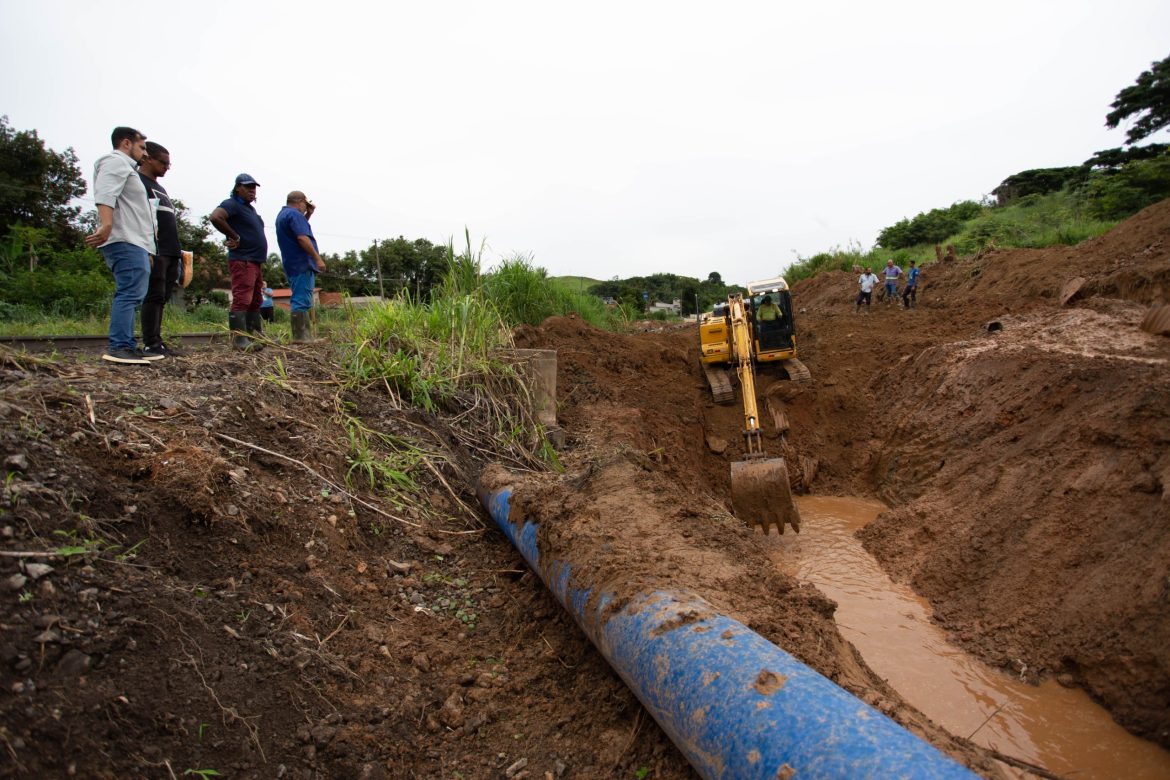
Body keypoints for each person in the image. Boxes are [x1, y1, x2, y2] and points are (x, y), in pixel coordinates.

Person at [86, 127, 162, 365]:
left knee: (133, 293)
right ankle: (119, 346)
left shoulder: (127, 169)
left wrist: (147, 248)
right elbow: (106, 192)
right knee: (129, 292)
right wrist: (106, 224)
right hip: (124, 239)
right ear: (126, 143)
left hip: (135, 242)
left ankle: (126, 344)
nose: (144, 153)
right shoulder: (115, 162)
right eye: (141, 147)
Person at [209, 174, 267, 350]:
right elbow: (215, 217)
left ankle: (254, 334)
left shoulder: (249, 209)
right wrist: (235, 236)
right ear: (237, 188)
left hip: (254, 261)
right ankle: (239, 340)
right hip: (243, 259)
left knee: (256, 299)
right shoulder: (231, 204)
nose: (252, 190)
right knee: (243, 298)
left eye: (254, 187)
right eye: (248, 187)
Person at [138, 141, 183, 357]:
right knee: (153, 296)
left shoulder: (160, 187)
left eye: (169, 164)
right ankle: (150, 343)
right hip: (156, 248)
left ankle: (158, 340)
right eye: (163, 162)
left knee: (163, 297)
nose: (166, 167)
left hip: (171, 249)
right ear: (148, 158)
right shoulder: (138, 183)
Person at [275, 191, 327, 343]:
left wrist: (308, 215)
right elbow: (302, 237)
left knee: (300, 297)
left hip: (292, 263)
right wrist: (318, 259)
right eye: (305, 204)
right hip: (301, 263)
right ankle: (301, 338)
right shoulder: (295, 215)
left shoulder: (283, 215)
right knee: (301, 300)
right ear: (299, 202)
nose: (306, 207)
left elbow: (297, 230)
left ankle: (304, 336)